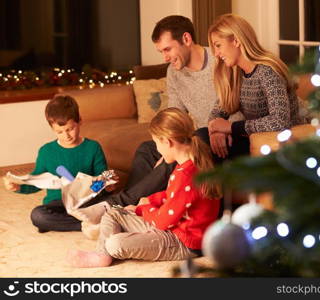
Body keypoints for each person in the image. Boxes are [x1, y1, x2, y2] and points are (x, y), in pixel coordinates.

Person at [97, 15, 243, 208]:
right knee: (147, 149)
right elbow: (173, 115)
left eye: (168, 49)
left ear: (186, 39)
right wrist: (163, 147)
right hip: (198, 138)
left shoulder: (220, 60)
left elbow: (236, 101)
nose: (165, 57)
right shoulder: (174, 72)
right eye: (161, 51)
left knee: (187, 144)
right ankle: (133, 206)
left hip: (220, 139)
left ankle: (119, 204)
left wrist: (222, 129)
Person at [67, 108, 221, 267]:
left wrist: (144, 209)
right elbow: (172, 196)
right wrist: (148, 200)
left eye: (156, 143)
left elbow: (162, 222)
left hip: (183, 241)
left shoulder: (186, 175)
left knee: (115, 243)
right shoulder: (187, 165)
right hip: (173, 227)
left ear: (167, 142)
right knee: (114, 213)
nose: (157, 149)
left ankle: (109, 249)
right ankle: (102, 254)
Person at [202, 13, 305, 159]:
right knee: (201, 138)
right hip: (254, 140)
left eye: (218, 45)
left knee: (202, 142)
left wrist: (231, 128)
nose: (216, 54)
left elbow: (280, 120)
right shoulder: (235, 74)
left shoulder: (267, 71)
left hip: (282, 142)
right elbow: (216, 113)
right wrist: (216, 131)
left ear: (236, 41)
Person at [2, 95, 110, 232]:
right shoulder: (46, 151)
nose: (67, 136)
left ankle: (79, 221)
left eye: (70, 129)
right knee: (38, 216)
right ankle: (86, 225)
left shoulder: (93, 147)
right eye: (59, 132)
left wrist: (103, 184)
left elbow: (102, 179)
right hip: (58, 204)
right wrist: (17, 187)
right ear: (52, 129)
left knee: (108, 206)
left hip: (85, 202)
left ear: (80, 121)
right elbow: (36, 182)